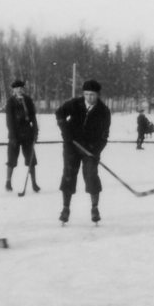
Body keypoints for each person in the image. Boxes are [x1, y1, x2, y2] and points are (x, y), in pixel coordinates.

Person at [55, 79, 111, 224]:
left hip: (91, 150)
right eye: (86, 94)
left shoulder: (104, 111)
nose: (89, 98)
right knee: (68, 174)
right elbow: (59, 113)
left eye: (92, 95)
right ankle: (65, 209)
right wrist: (65, 133)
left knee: (91, 175)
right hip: (71, 146)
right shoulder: (75, 103)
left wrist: (95, 151)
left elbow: (104, 137)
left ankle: (94, 208)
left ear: (98, 95)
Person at [5, 79, 40, 193]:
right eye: (17, 89)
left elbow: (33, 118)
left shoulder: (28, 100)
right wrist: (13, 136)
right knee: (12, 159)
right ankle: (8, 182)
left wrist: (35, 133)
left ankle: (34, 183)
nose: (19, 90)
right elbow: (9, 121)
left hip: (27, 134)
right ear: (13, 90)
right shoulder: (11, 102)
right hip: (15, 134)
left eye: (21, 88)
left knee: (31, 159)